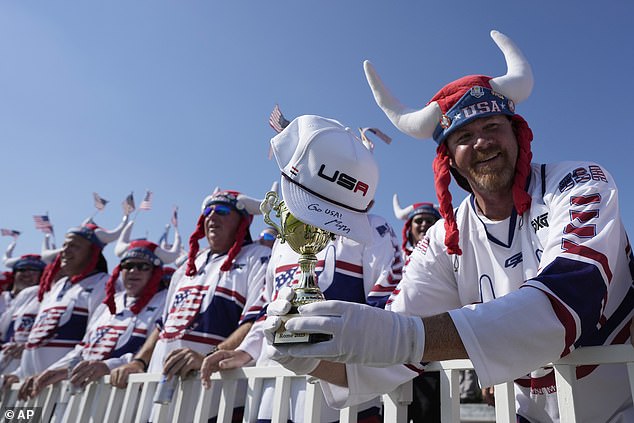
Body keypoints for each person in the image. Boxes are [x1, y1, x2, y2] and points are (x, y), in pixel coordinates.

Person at [263, 30, 634, 422]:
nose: (482, 143)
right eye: (465, 136)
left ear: (518, 133)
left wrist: (402, 337)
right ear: (449, 161)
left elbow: (568, 302)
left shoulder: (578, 181)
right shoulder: (445, 236)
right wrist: (309, 353)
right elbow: (386, 358)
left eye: (493, 127)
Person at [200, 115, 403, 423]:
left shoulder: (375, 229)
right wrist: (247, 350)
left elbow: (387, 308)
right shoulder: (285, 237)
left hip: (338, 395)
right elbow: (271, 311)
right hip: (270, 389)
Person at [109, 189, 270, 422]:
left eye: (223, 211)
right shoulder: (187, 265)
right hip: (160, 390)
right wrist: (139, 361)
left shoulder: (258, 257)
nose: (212, 217)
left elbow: (256, 320)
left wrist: (210, 357)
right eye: (208, 211)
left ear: (242, 221)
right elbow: (163, 326)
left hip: (215, 396)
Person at [24, 222, 179, 399]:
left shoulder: (165, 301)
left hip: (124, 400)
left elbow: (156, 351)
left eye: (143, 266)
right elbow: (83, 348)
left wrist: (110, 366)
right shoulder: (110, 303)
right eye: (127, 265)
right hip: (81, 397)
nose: (133, 271)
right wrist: (55, 370)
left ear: (155, 272)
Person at [4, 217, 126, 396]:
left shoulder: (103, 284)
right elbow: (36, 341)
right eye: (65, 245)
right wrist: (19, 374)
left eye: (74, 246)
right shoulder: (59, 286)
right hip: (31, 388)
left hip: (63, 391)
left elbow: (92, 342)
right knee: (17, 418)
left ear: (92, 252)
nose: (65, 251)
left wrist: (61, 370)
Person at [0, 247, 48, 375]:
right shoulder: (2, 297)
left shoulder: (45, 302)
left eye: (34, 270)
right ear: (14, 273)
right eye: (22, 269)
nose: (27, 274)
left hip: (23, 369)